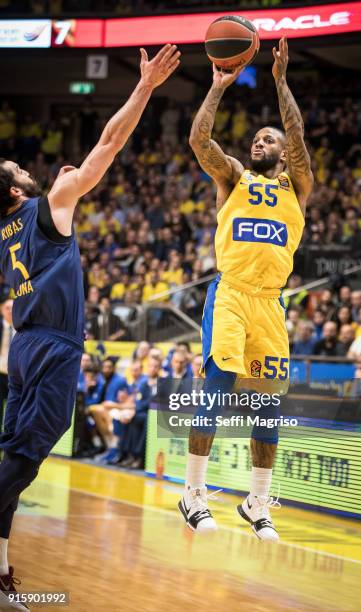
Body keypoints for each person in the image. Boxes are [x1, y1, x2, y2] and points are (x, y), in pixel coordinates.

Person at [0, 43, 180, 605]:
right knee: (28, 455)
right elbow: (110, 142)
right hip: (51, 345)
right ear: (15, 191)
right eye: (20, 171)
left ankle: (1, 566)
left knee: (15, 457)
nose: (30, 170)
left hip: (23, 345)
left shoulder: (2, 232)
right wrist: (145, 86)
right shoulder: (49, 202)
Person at [180, 38, 313, 541]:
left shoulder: (296, 185)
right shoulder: (233, 177)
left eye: (268, 140)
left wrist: (280, 81)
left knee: (268, 405)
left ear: (283, 155)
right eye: (256, 138)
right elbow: (199, 141)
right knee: (216, 390)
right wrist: (216, 88)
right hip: (232, 294)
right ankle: (193, 492)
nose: (260, 142)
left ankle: (258, 501)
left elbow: (298, 138)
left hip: (270, 304)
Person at [0, 299, 14, 431]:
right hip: (0, 374)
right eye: (7, 308)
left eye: (12, 308)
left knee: (13, 411)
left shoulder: (22, 330)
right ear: (1, 310)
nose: (10, 311)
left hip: (15, 376)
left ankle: (9, 441)